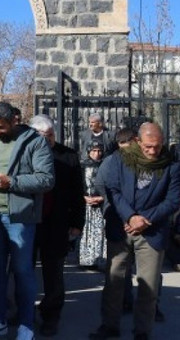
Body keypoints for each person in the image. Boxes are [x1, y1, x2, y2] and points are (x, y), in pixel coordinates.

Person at [0, 101, 54, 340]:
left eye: (0, 127)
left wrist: (12, 182)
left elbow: (46, 179)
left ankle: (26, 324)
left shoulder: (35, 142)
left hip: (19, 216)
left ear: (14, 120)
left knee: (22, 270)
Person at [89, 123, 180, 340]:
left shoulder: (172, 166)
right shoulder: (121, 159)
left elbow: (173, 200)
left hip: (152, 232)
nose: (152, 151)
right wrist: (130, 216)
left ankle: (142, 332)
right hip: (121, 228)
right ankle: (109, 325)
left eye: (157, 147)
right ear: (138, 142)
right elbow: (113, 190)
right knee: (114, 281)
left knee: (148, 287)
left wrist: (145, 220)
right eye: (148, 146)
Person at [28, 114, 85, 337]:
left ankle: (51, 315)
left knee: (54, 274)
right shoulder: (25, 153)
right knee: (24, 271)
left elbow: (77, 193)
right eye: (42, 136)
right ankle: (25, 311)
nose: (47, 139)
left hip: (56, 223)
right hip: (30, 221)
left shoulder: (68, 156)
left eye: (50, 135)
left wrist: (77, 223)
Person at [79, 140, 106, 269]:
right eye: (94, 150)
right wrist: (84, 197)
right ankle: (87, 260)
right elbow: (77, 184)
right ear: (89, 151)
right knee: (86, 230)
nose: (97, 153)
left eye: (99, 150)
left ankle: (102, 260)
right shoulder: (83, 166)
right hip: (86, 203)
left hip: (102, 204)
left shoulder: (106, 165)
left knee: (101, 231)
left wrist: (102, 198)